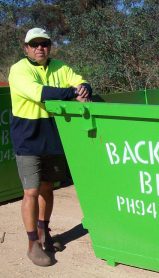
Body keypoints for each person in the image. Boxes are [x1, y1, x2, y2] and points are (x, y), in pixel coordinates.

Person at [8, 27, 92, 266]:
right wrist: (72, 93)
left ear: (49, 46)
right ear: (26, 48)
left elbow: (80, 80)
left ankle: (45, 233)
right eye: (34, 44)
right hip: (28, 139)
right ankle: (32, 243)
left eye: (44, 43)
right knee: (31, 192)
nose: (39, 48)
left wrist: (85, 89)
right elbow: (40, 93)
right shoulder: (18, 70)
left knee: (47, 189)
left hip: (53, 138)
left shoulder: (60, 67)